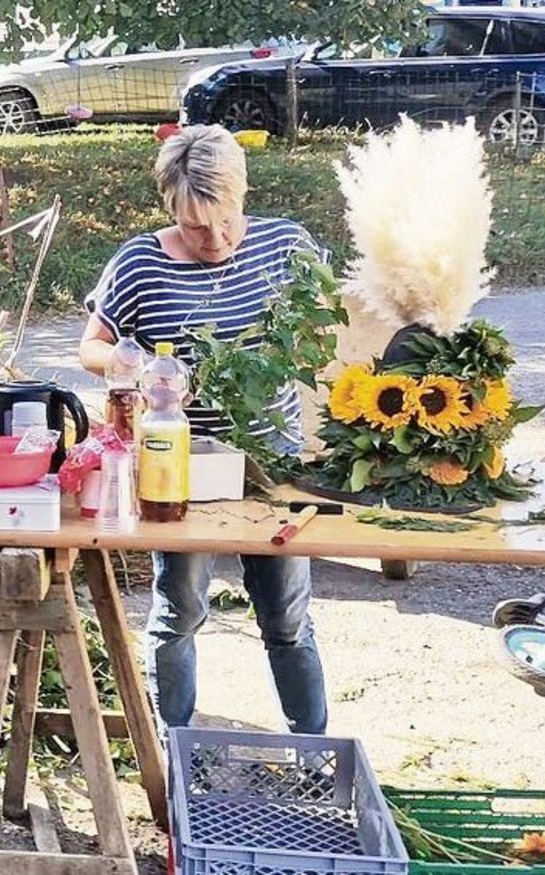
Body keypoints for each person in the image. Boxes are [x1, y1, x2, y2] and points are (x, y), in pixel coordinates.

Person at [77, 125, 329, 736]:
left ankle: (316, 749)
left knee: (288, 617)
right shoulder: (141, 262)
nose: (214, 238)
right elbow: (91, 346)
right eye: (194, 226)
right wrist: (126, 364)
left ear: (243, 194)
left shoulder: (286, 245)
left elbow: (322, 328)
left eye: (225, 219)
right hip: (176, 467)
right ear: (170, 207)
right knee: (182, 608)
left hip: (272, 469)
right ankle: (176, 745)